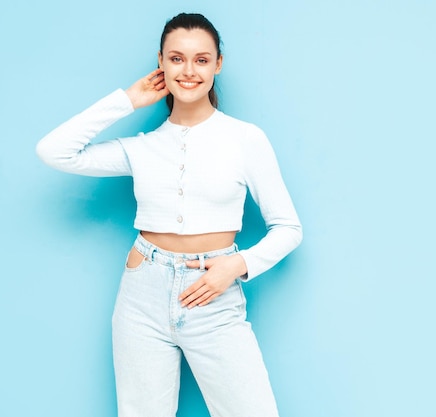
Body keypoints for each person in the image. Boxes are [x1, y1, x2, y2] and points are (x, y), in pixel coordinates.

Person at [36, 12, 301, 417]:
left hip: (212, 294)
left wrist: (236, 266)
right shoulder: (141, 148)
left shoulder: (245, 139)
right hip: (142, 294)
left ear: (218, 64)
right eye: (176, 59)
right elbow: (54, 151)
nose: (189, 71)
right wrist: (127, 100)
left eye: (201, 59)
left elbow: (288, 228)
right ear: (160, 62)